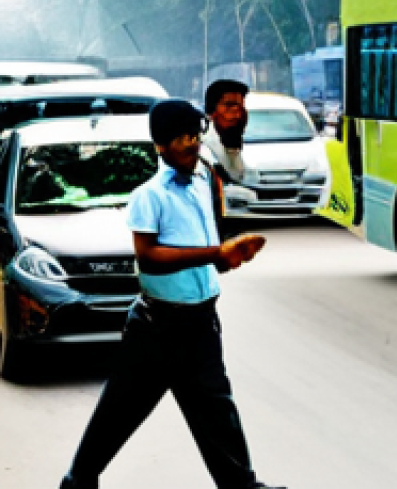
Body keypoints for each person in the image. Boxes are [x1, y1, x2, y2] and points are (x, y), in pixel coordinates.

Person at [58, 99, 284, 489]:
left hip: (200, 322)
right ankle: (78, 481)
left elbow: (208, 230)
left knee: (217, 409)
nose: (192, 144)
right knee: (120, 411)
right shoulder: (150, 195)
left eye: (195, 136)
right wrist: (215, 253)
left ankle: (242, 486)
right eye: (181, 139)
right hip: (157, 329)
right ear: (161, 146)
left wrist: (225, 258)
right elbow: (149, 258)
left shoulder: (202, 182)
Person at [202, 78, 250, 183]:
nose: (237, 115)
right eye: (229, 106)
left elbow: (236, 177)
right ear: (211, 111)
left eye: (240, 108)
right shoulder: (203, 145)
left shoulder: (230, 139)